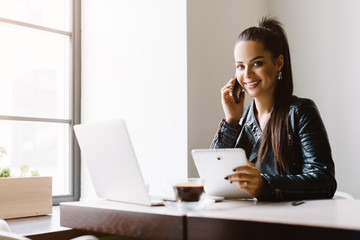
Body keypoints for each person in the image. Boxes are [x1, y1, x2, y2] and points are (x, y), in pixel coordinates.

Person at [211, 17, 337, 201]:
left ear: (278, 63)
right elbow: (215, 178)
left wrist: (265, 185)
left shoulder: (300, 112)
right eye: (240, 66)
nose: (246, 75)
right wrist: (231, 122)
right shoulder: (241, 120)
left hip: (293, 223)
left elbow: (324, 181)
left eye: (257, 63)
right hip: (247, 220)